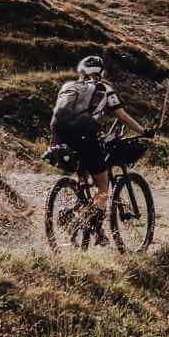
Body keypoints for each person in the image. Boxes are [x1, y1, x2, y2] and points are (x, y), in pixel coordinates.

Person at [50, 54, 141, 240]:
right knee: (103, 188)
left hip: (60, 136)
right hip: (84, 136)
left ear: (81, 71)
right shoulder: (104, 88)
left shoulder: (68, 86)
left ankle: (86, 218)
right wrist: (143, 130)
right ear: (101, 72)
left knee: (83, 176)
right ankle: (87, 222)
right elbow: (122, 116)